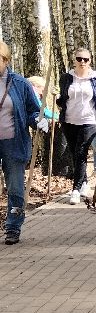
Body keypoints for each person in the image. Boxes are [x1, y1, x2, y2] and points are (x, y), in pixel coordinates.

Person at [0, 41, 41, 245]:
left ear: (5, 60)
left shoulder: (19, 83)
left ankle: (13, 227)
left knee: (15, 187)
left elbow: (33, 110)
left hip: (13, 143)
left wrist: (38, 121)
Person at [55, 49, 96, 204]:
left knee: (80, 152)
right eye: (79, 59)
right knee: (73, 153)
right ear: (74, 60)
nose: (82, 62)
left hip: (89, 121)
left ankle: (75, 190)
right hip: (69, 121)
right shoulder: (66, 78)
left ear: (90, 61)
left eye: (86, 59)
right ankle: (84, 182)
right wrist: (57, 100)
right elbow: (63, 99)